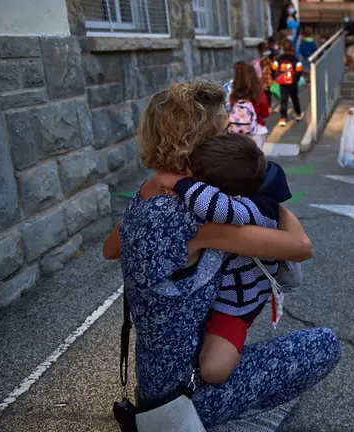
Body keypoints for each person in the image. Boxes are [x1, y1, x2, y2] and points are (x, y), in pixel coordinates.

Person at [102, 81, 340, 428]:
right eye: (226, 131)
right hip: (185, 398)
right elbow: (301, 247)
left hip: (155, 383)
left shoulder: (150, 191)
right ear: (201, 145)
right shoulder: (198, 220)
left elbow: (111, 248)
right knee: (325, 344)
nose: (235, 138)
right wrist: (270, 202)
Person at [153, 134, 293, 383]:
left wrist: (174, 181)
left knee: (213, 371)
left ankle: (266, 368)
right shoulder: (239, 192)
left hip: (236, 305)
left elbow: (217, 207)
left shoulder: (255, 208)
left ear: (222, 192)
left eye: (193, 178)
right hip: (212, 297)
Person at [273, 38, 303, 127]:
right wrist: (296, 79)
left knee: (283, 100)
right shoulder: (295, 58)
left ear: (282, 48)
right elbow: (299, 70)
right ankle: (298, 114)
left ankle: (283, 118)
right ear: (292, 48)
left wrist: (276, 77)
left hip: (282, 83)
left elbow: (274, 68)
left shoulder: (279, 58)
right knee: (295, 98)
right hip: (292, 82)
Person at [256, 42, 275, 106]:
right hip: (264, 79)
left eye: (267, 48)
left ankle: (267, 106)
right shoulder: (263, 60)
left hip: (267, 79)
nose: (267, 50)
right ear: (261, 50)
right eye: (265, 49)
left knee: (268, 93)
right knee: (266, 93)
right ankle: (267, 106)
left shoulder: (264, 59)